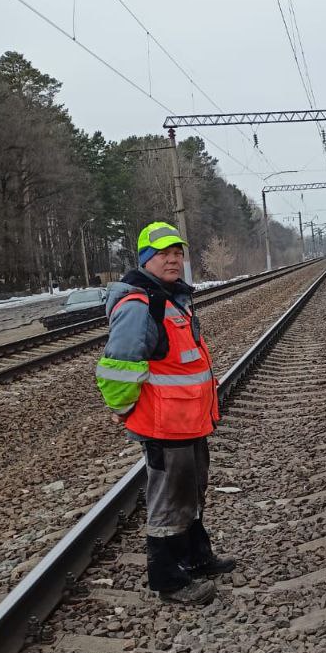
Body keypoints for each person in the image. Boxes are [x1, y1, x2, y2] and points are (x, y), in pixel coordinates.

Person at [94, 221, 235, 606]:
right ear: (144, 259)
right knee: (169, 499)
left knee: (190, 491)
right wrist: (123, 410)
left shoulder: (173, 298)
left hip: (187, 421)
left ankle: (195, 556)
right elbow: (117, 366)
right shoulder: (141, 305)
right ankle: (168, 581)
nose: (173, 259)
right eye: (163, 254)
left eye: (177, 253)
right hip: (163, 424)